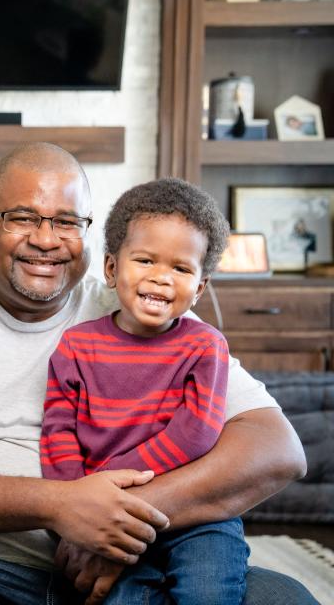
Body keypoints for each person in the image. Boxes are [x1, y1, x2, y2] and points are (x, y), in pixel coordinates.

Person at [0, 142, 315, 604]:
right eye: (24, 217)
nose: (47, 240)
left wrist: (116, 522)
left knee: (285, 598)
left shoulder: (140, 303)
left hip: (131, 561)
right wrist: (62, 506)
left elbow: (278, 449)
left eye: (67, 222)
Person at [40, 178, 247, 604]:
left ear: (200, 287)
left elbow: (197, 433)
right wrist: (74, 507)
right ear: (113, 269)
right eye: (146, 260)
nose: (162, 278)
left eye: (181, 269)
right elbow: (58, 431)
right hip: (110, 519)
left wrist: (112, 483)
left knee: (208, 592)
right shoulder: (78, 346)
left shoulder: (204, 345)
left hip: (196, 517)